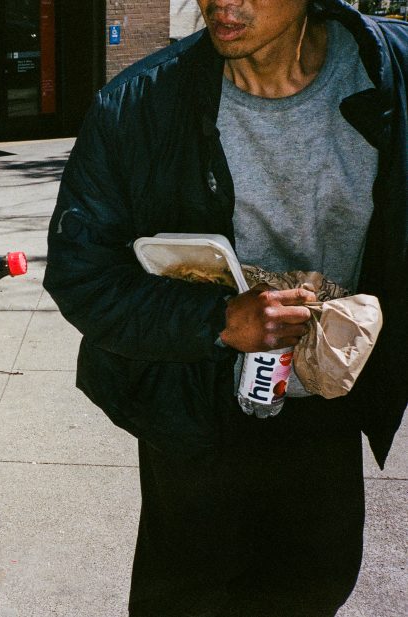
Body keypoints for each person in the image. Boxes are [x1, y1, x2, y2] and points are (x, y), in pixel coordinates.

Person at [45, 0, 407, 615]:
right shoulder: (139, 105)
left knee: (311, 591)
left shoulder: (390, 73)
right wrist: (215, 320)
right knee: (186, 601)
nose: (222, 3)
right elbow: (82, 275)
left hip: (327, 413)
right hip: (192, 413)